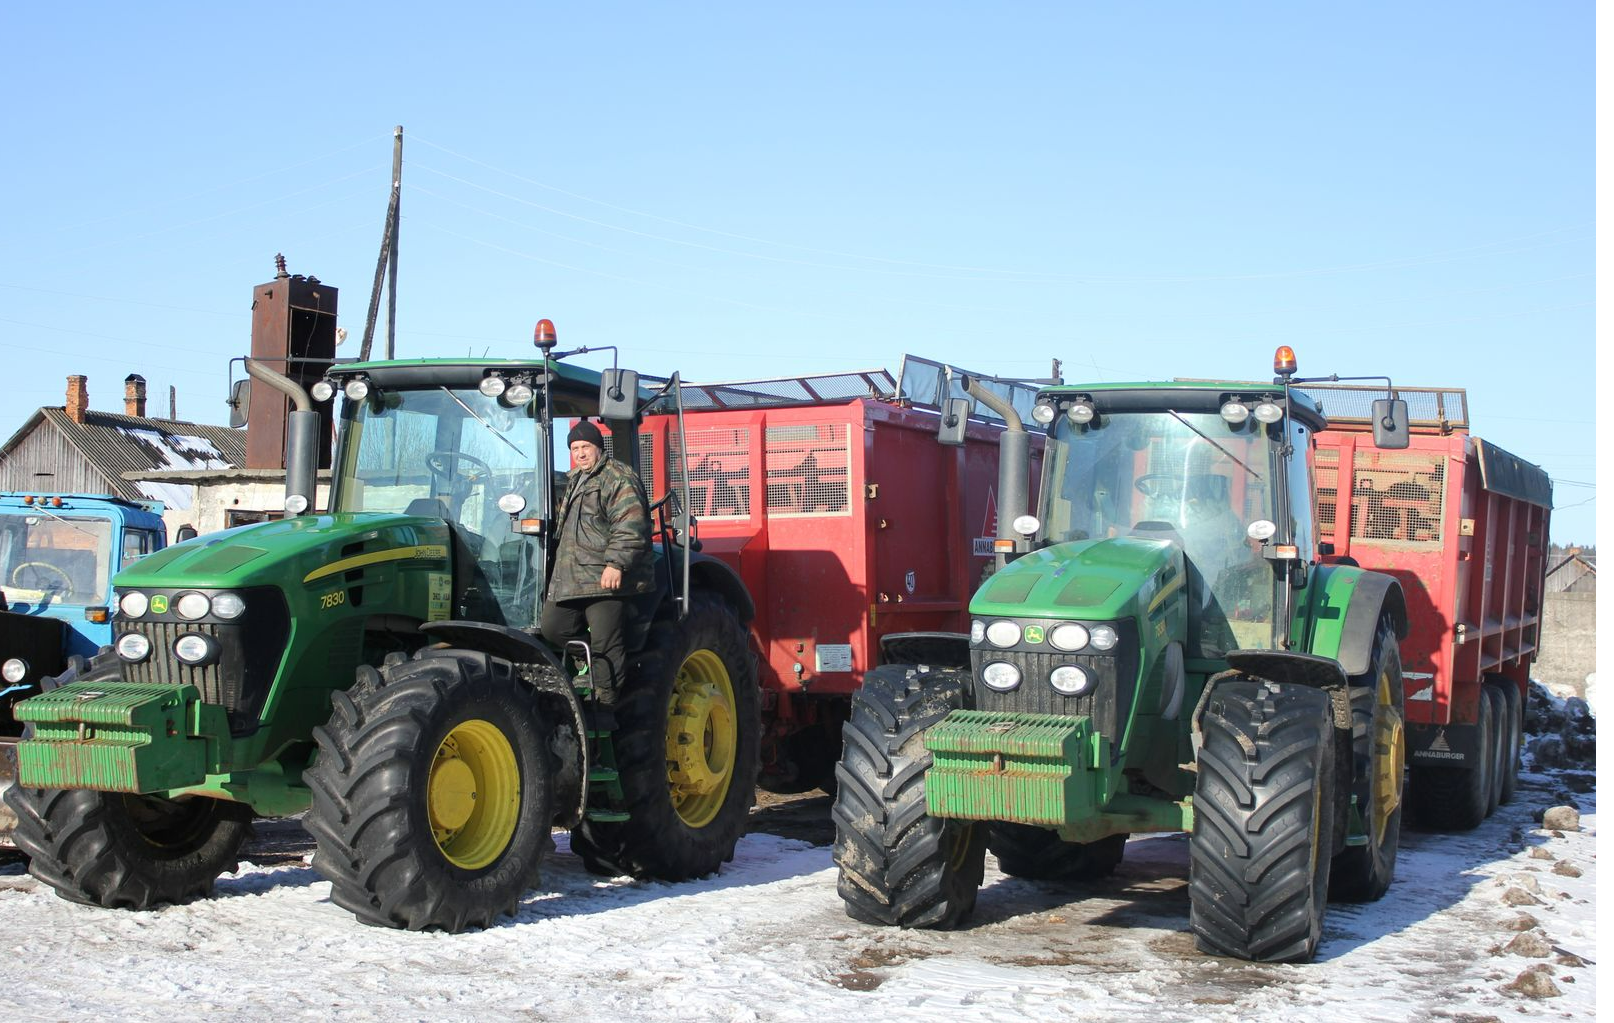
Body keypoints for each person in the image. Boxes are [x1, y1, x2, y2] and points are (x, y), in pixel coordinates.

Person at [540, 420, 654, 715]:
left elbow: (631, 523)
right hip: (572, 577)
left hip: (605, 577)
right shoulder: (576, 478)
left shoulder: (617, 476)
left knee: (606, 642)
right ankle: (593, 665)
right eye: (575, 448)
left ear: (597, 447)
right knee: (553, 628)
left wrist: (616, 564)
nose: (580, 453)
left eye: (585, 447)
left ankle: (605, 705)